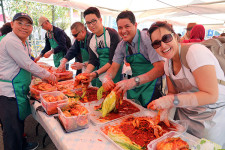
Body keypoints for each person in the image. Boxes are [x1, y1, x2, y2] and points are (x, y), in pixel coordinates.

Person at [147, 21, 225, 147]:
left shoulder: (195, 52)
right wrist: (165, 109)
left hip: (212, 117)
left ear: (175, 36)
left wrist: (171, 100)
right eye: (156, 43)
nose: (162, 45)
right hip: (187, 115)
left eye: (166, 38)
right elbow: (172, 92)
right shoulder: (168, 63)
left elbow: (211, 95)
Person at [0, 12, 57, 150]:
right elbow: (28, 64)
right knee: (12, 131)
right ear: (12, 24)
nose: (24, 27)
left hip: (18, 89)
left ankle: (23, 144)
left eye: (28, 24)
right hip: (9, 93)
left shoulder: (22, 42)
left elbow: (26, 65)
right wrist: (49, 76)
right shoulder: (11, 41)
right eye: (20, 23)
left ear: (32, 28)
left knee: (18, 124)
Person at [102, 11, 165, 107]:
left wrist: (132, 82)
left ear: (135, 25)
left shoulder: (148, 39)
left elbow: (160, 68)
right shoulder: (121, 45)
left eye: (127, 26)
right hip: (135, 87)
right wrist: (106, 78)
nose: (123, 31)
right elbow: (114, 68)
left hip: (153, 86)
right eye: (120, 28)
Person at [81, 7, 122, 87]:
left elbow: (112, 61)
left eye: (93, 21)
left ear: (100, 20)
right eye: (88, 23)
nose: (91, 25)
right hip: (100, 73)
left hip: (114, 74)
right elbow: (93, 60)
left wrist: (96, 73)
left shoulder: (112, 34)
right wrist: (85, 73)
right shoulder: (91, 39)